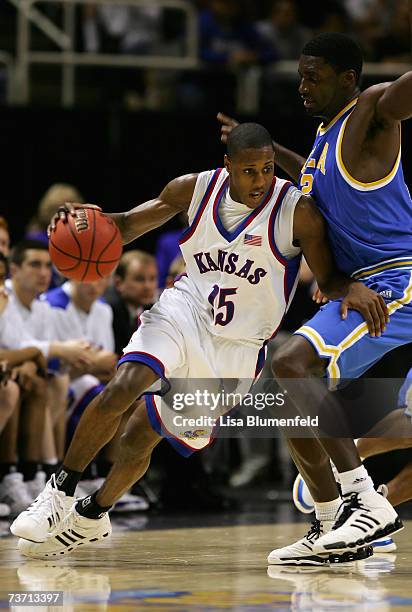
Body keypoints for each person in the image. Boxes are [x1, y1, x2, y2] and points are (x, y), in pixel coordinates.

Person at [11, 122, 386, 561]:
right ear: (227, 166)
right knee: (126, 384)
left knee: (140, 436)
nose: (260, 180)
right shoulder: (192, 190)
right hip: (185, 310)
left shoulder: (295, 211)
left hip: (237, 351)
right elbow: (127, 225)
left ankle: (94, 514)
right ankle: (59, 492)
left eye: (266, 169)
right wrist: (85, 221)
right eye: (249, 171)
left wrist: (352, 288)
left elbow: (327, 278)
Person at [218, 30, 412, 564]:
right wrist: (269, 150)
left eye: (314, 77)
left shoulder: (372, 110)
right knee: (286, 389)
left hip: (399, 280)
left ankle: (364, 499)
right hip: (362, 286)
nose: (302, 86)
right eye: (301, 75)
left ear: (348, 79)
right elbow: (312, 174)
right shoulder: (326, 143)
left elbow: (400, 95)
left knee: (291, 363)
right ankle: (328, 524)